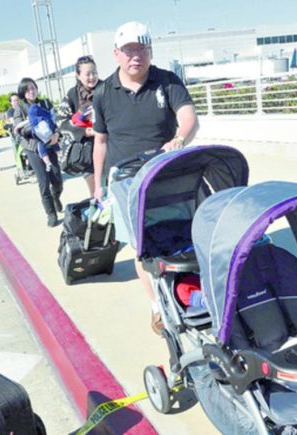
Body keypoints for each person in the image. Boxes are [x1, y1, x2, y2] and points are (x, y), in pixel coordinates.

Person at [92, 21, 199, 334]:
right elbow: (100, 142)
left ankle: (190, 294)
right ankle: (157, 306)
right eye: (128, 50)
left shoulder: (167, 81)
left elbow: (189, 117)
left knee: (179, 236)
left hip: (166, 177)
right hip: (125, 183)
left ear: (150, 51)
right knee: (141, 247)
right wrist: (98, 185)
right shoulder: (103, 93)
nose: (135, 56)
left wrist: (179, 138)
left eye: (141, 49)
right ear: (116, 54)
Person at [14, 77, 63, 227]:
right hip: (33, 148)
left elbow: (57, 120)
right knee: (43, 182)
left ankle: (56, 197)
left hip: (50, 145)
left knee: (57, 178)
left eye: (33, 87)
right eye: (28, 89)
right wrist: (38, 127)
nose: (32, 91)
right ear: (23, 92)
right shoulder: (20, 108)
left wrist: (56, 134)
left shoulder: (46, 103)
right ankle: (51, 213)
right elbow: (19, 129)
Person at [58, 55, 103, 197]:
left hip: (110, 148)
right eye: (87, 74)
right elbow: (61, 122)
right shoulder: (72, 95)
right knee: (96, 194)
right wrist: (85, 131)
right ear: (78, 75)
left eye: (94, 73)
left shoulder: (107, 89)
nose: (92, 77)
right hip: (87, 153)